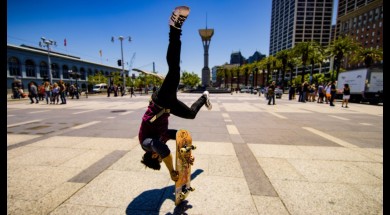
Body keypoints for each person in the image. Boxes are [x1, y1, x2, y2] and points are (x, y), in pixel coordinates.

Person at [138, 6, 212, 182]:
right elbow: (179, 136)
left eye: (158, 157)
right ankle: (205, 96)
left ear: (153, 155)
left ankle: (174, 28)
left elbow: (160, 148)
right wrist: (186, 154)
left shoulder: (147, 144)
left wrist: (171, 170)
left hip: (160, 101)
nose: (160, 155)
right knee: (191, 115)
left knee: (174, 70)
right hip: (169, 105)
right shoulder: (161, 138)